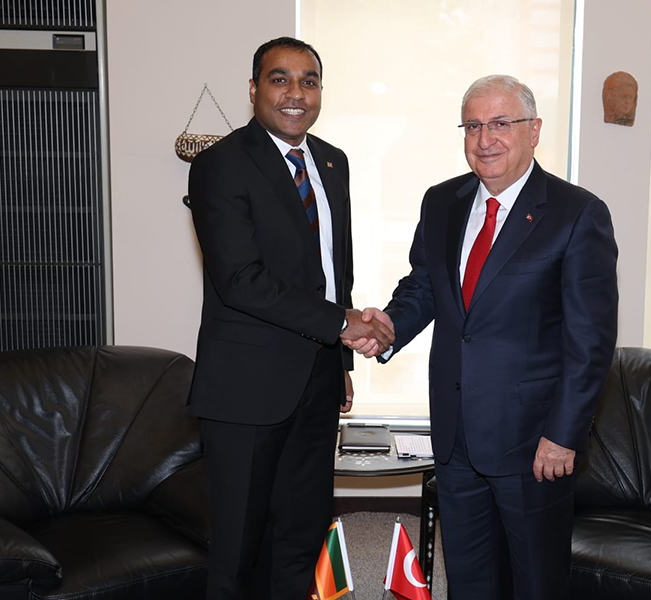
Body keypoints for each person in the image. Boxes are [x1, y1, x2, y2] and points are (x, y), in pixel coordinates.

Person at [350, 75, 618, 598]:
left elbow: (591, 341)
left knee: (535, 580)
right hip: (454, 437)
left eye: (500, 123)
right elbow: (425, 287)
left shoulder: (577, 213)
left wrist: (564, 432)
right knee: (470, 579)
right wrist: (387, 328)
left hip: (534, 441)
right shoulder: (442, 201)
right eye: (473, 125)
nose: (485, 138)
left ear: (534, 130)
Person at [186, 37, 393, 600]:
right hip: (246, 390)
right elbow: (240, 280)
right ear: (254, 89)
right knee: (238, 549)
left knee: (301, 536)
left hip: (318, 381)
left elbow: (331, 272)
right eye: (280, 79)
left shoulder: (332, 161)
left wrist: (340, 357)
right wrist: (341, 323)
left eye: (309, 80)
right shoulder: (219, 165)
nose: (296, 93)